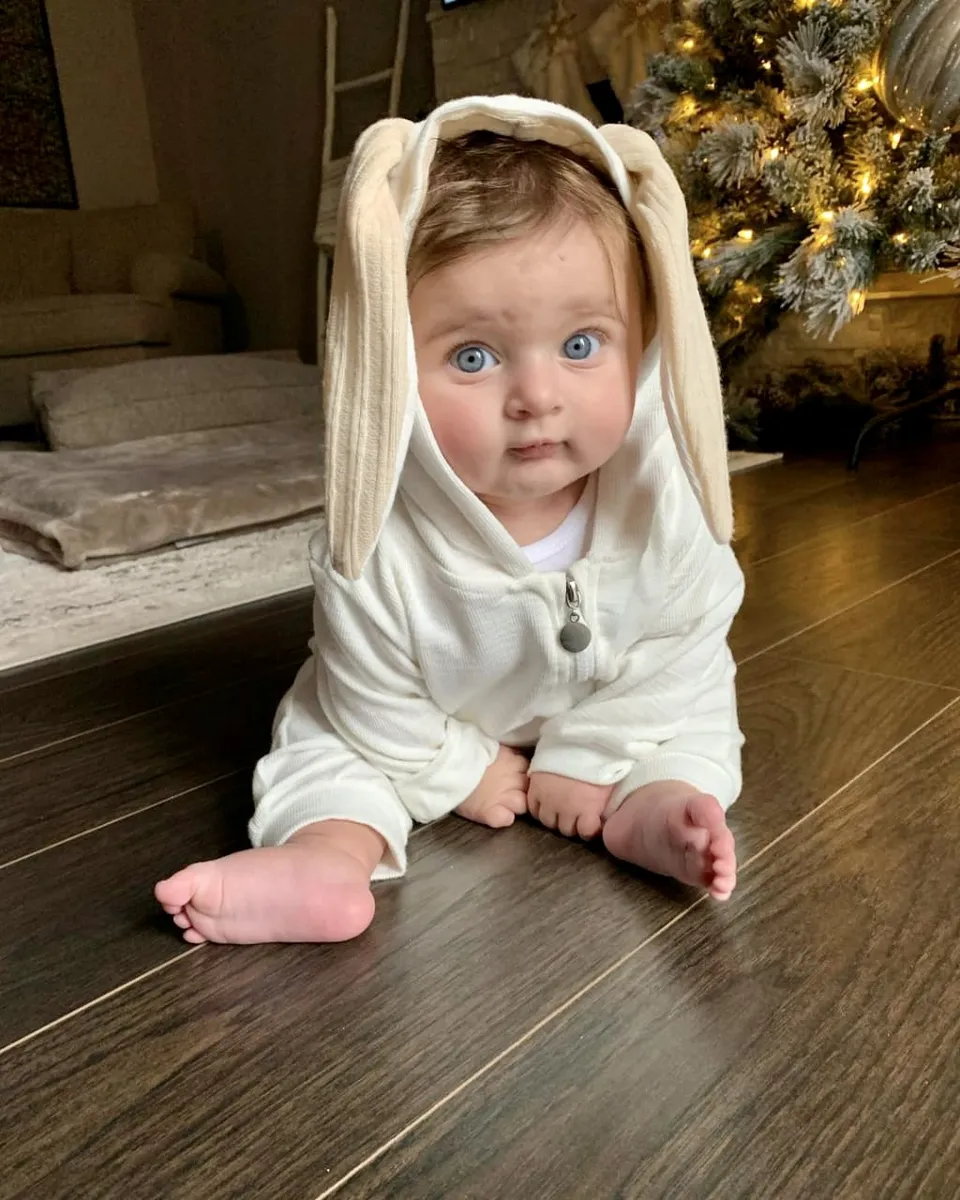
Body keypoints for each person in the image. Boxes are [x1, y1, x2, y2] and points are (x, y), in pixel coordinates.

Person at [155, 95, 745, 946]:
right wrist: (458, 768)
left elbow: (681, 647)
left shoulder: (663, 506)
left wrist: (588, 757)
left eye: (582, 345)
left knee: (696, 717)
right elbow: (369, 692)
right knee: (324, 738)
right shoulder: (377, 542)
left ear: (646, 341)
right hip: (426, 719)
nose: (537, 396)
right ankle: (324, 859)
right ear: (390, 367)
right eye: (474, 356)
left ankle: (655, 812)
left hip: (614, 703)